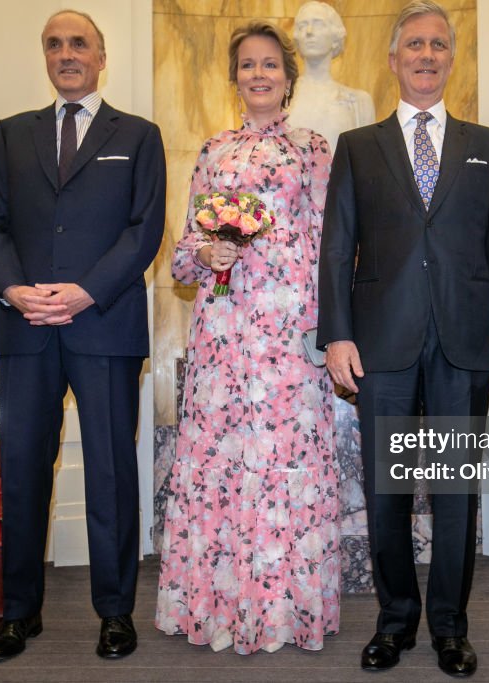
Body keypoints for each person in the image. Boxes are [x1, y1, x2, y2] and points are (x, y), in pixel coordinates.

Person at [317, 0, 489, 677]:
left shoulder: (486, 146)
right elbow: (336, 249)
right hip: (382, 345)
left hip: (466, 342)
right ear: (393, 59)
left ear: (451, 58)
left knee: (456, 492)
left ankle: (449, 626)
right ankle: (395, 620)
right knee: (388, 493)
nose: (427, 55)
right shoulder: (358, 147)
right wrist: (337, 337)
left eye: (439, 44)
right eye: (415, 45)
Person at [0, 9, 166, 664]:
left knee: (110, 472)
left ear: (101, 56)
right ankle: (18, 613)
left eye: (78, 43)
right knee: (22, 473)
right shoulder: (10, 135)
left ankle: (115, 613)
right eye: (54, 45)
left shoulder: (138, 136)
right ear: (45, 57)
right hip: (25, 326)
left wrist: (86, 290)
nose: (65, 53)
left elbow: (143, 229)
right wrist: (12, 288)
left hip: (104, 324)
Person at [155, 20, 339, 655]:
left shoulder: (314, 149)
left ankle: (284, 611)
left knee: (283, 464)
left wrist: (328, 327)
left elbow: (328, 246)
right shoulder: (213, 151)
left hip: (289, 336)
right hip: (224, 335)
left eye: (269, 64)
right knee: (224, 464)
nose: (258, 74)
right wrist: (210, 250)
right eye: (246, 65)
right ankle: (220, 606)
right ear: (233, 78)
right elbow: (182, 257)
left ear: (287, 77)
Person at [286, 1, 375, 153]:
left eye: (318, 24)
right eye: (302, 26)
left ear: (335, 37)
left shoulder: (359, 102)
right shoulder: (282, 97)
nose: (309, 31)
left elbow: (366, 162)